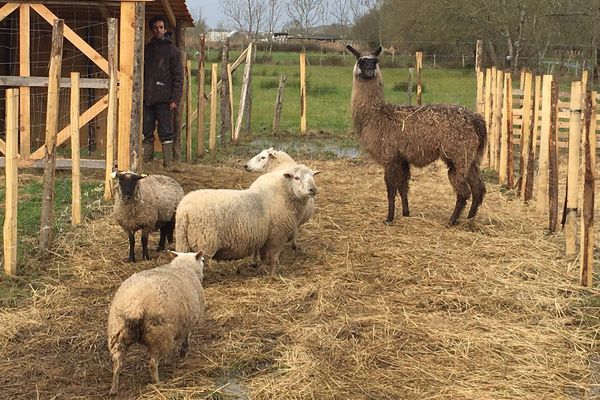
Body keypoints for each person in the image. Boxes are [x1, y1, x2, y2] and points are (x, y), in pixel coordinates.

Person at [142, 15, 184, 168]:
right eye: (155, 27)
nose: (158, 30)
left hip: (165, 99)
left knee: (166, 132)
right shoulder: (146, 50)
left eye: (161, 27)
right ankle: (147, 164)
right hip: (147, 98)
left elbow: (179, 78)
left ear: (165, 29)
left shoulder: (173, 51)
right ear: (152, 30)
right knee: (146, 131)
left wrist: (175, 98)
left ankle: (168, 165)